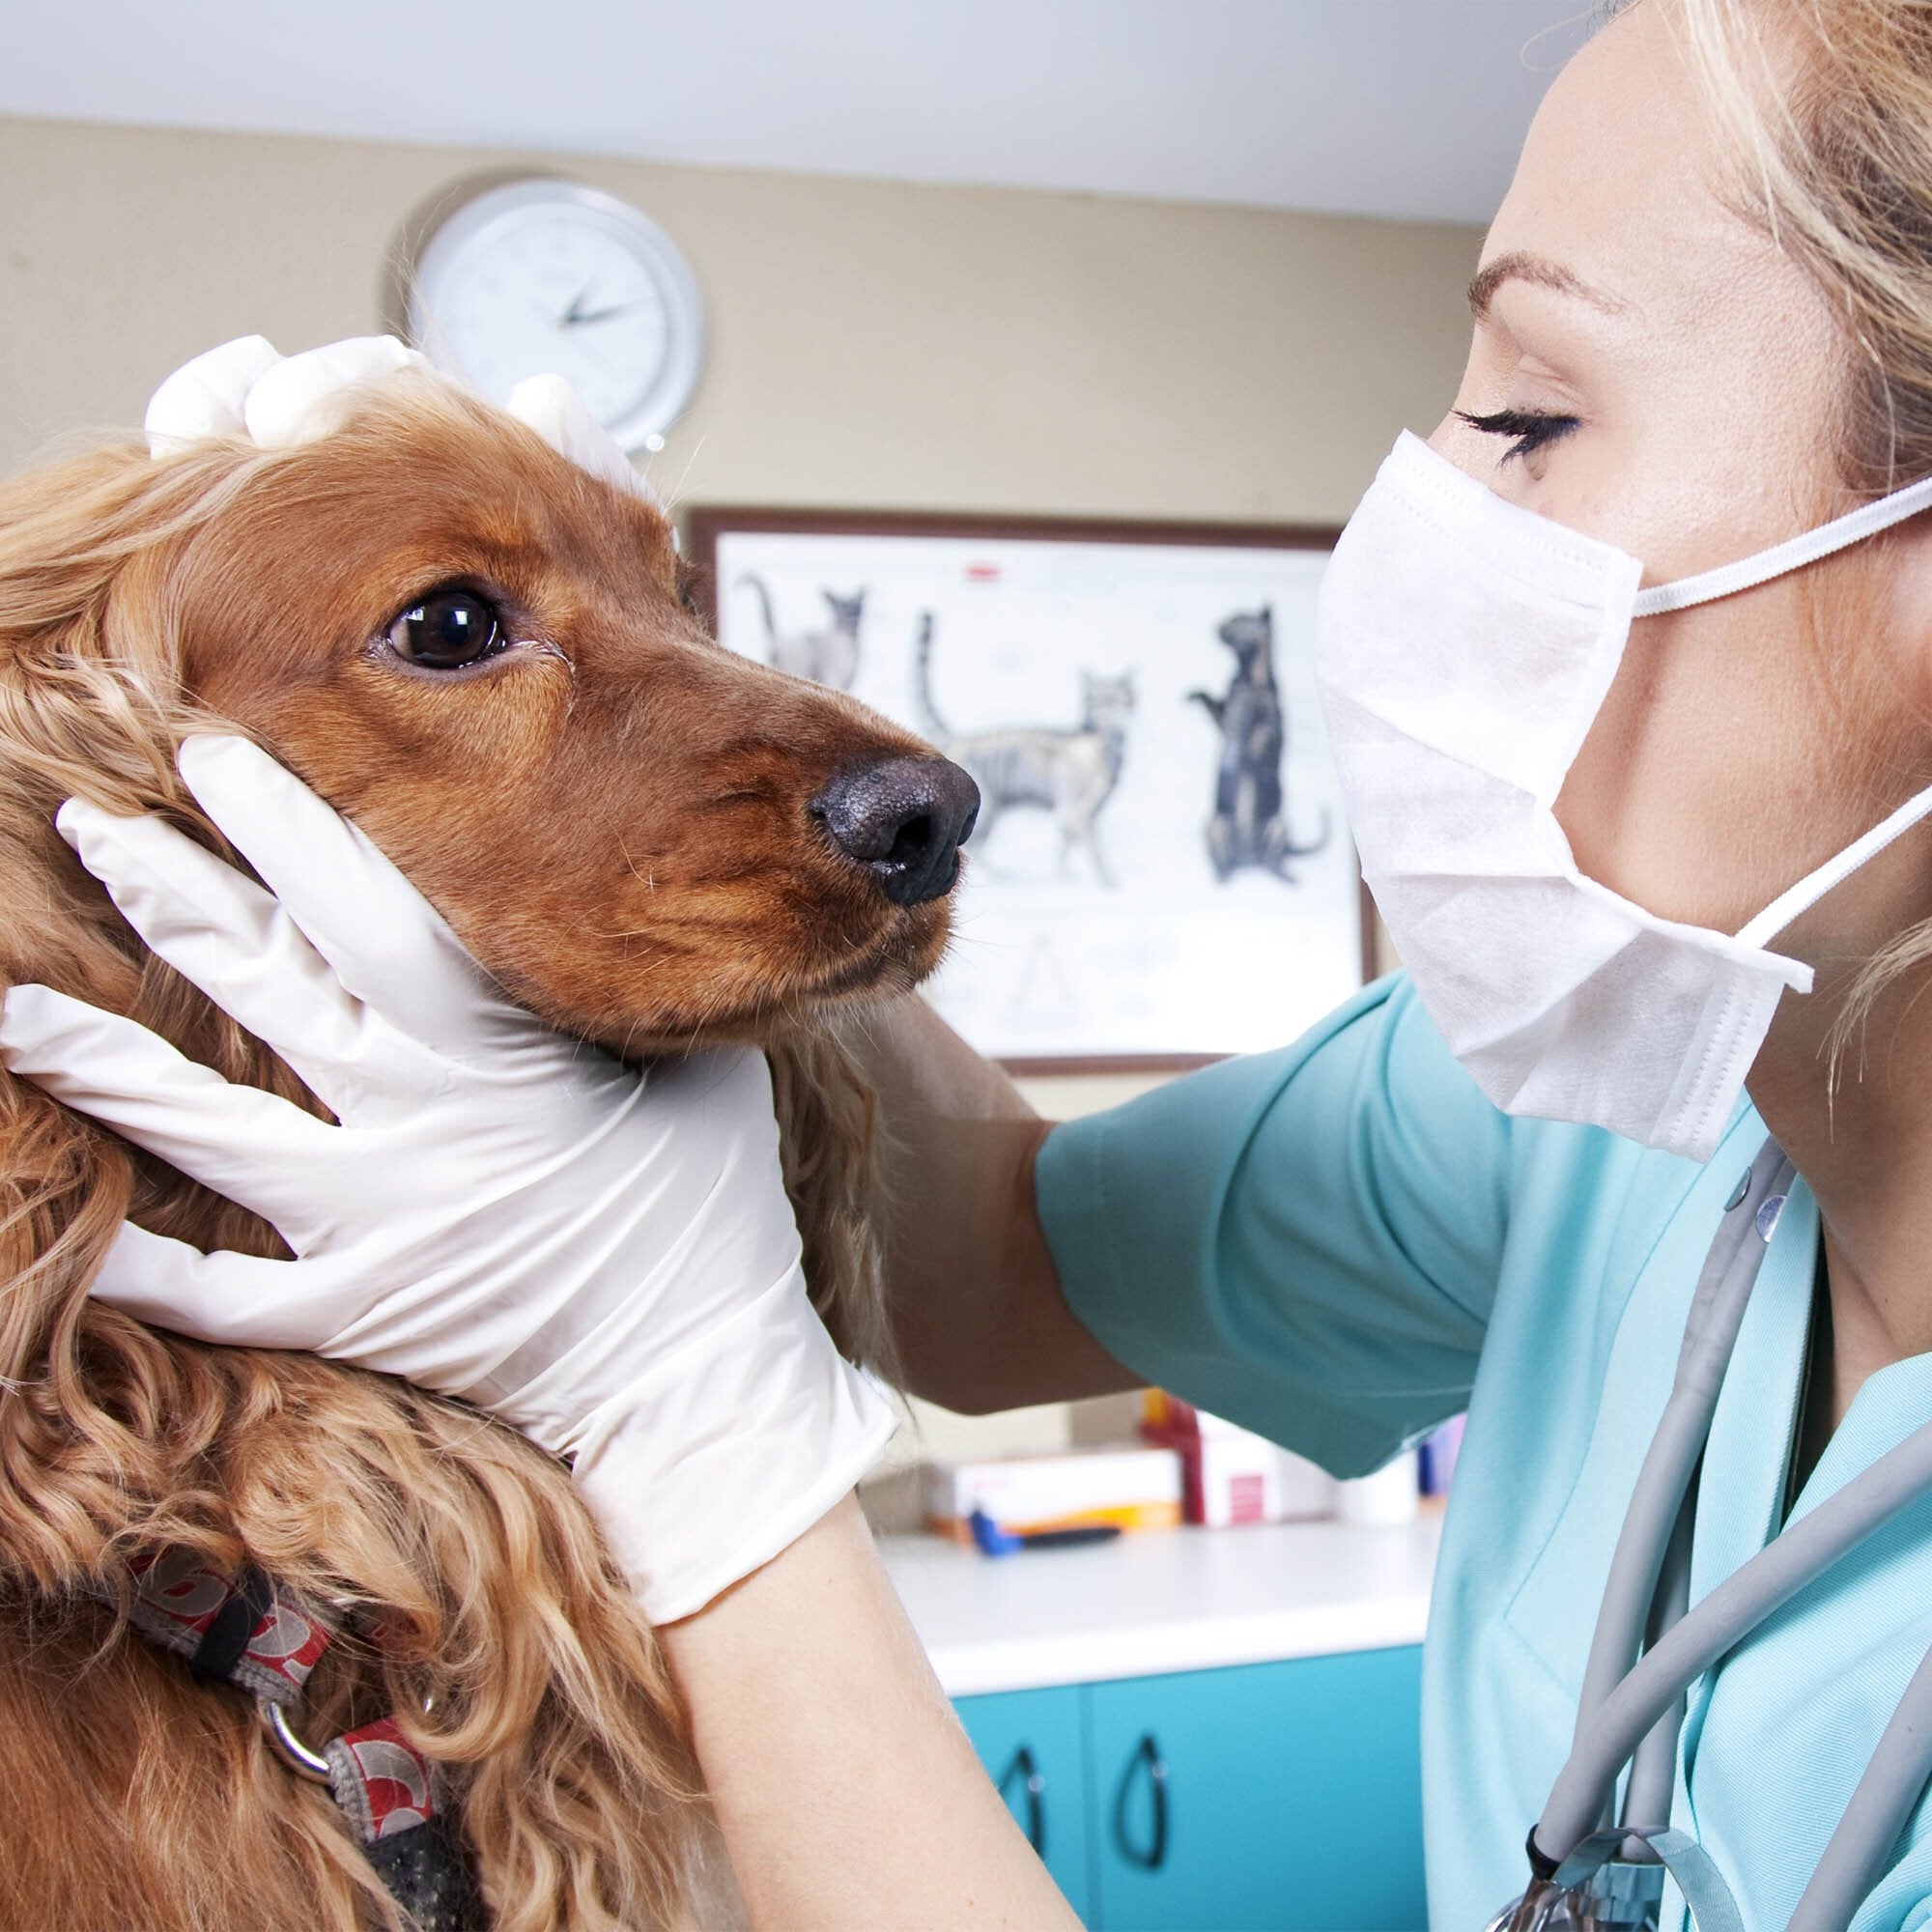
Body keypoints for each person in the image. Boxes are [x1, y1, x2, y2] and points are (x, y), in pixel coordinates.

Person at [12, 0, 1932, 1923]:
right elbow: (1009, 1256)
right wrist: (736, 884)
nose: (1415, 503)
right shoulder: (1578, 1117)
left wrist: (704, 1431)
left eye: (1529, 417)